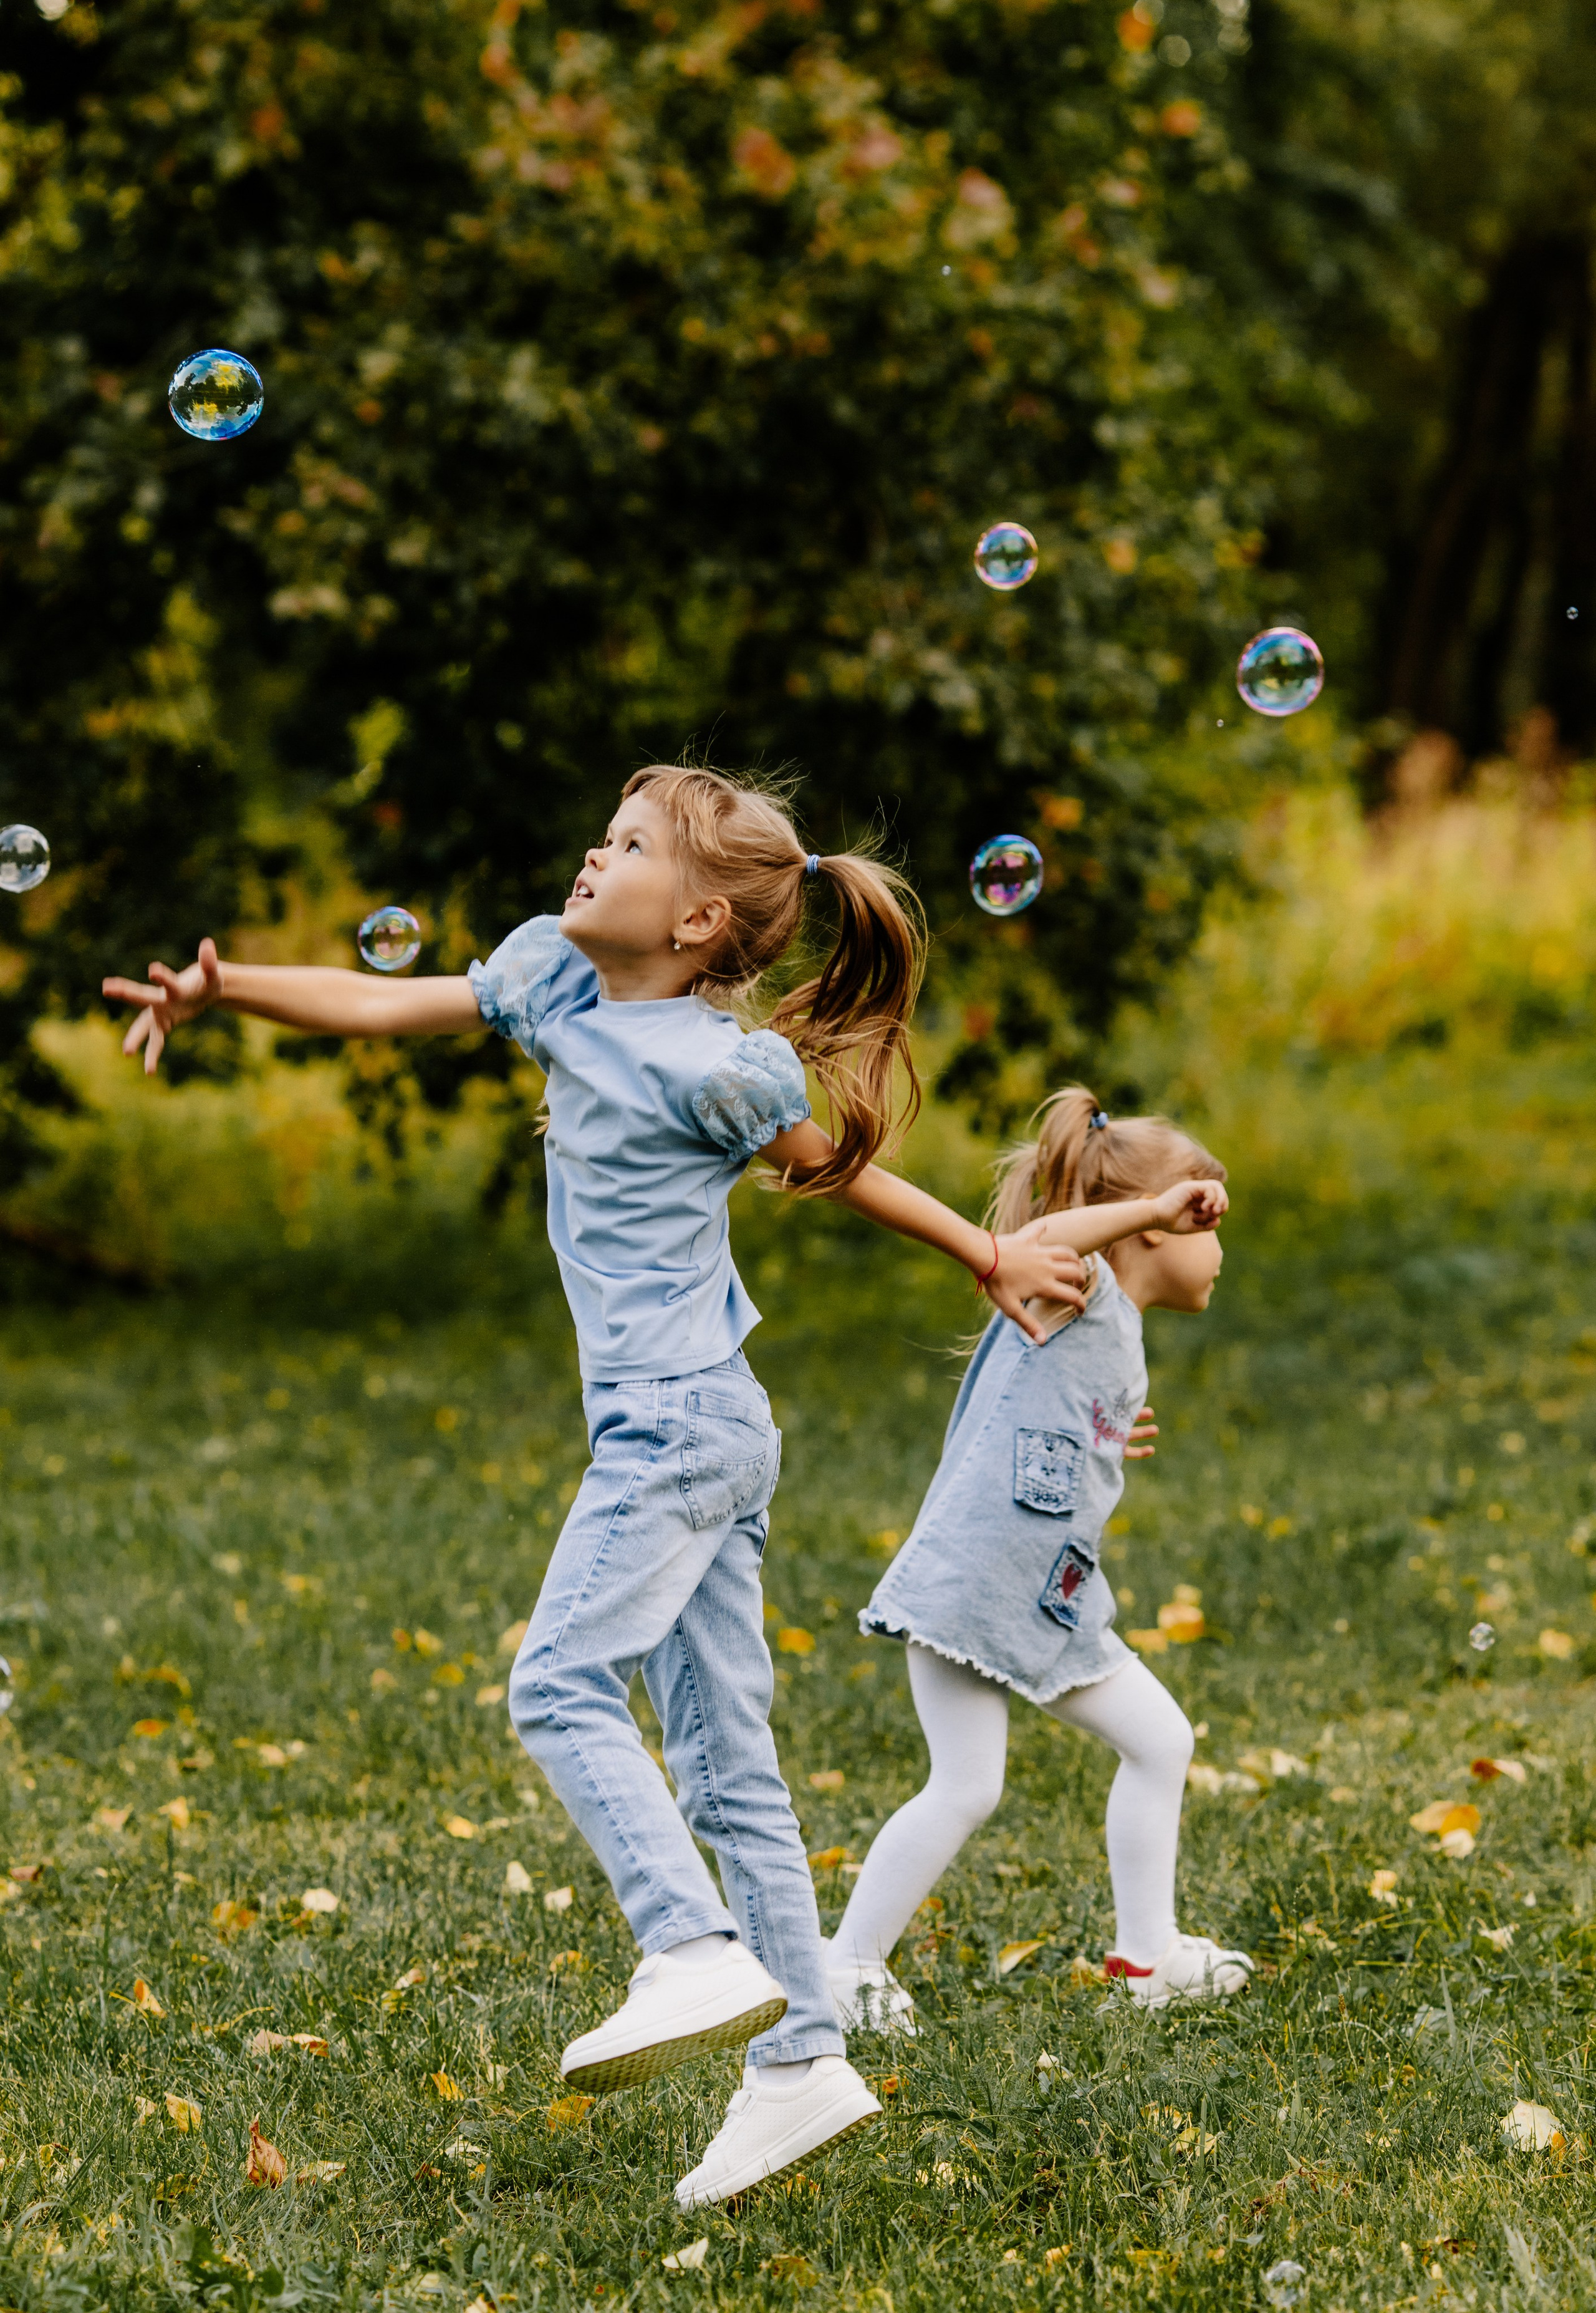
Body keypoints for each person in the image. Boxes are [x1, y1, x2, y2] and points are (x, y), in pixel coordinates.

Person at [102, 765, 1089, 2208]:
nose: (590, 850)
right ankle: (800, 2063)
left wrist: (987, 1251)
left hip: (678, 1430)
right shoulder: (552, 987)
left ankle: (686, 1947)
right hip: (703, 1429)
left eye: (628, 844)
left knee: (558, 1681)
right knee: (725, 1757)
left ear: (696, 923)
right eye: (604, 833)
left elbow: (832, 1170)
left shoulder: (721, 1067)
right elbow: (382, 1000)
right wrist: (224, 987)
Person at [824, 1088, 1253, 2034]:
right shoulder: (1075, 1282)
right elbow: (1047, 1235)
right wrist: (1149, 1204)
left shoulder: (1109, 1324)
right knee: (966, 1786)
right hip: (979, 1588)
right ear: (1154, 1226)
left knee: (1158, 1742)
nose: (1219, 1246)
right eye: (1210, 1220)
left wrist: (1102, 1431)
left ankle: (1149, 1957)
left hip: (1046, 1599)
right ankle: (844, 1967)